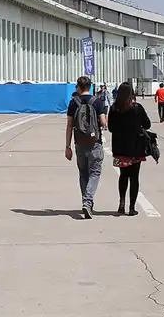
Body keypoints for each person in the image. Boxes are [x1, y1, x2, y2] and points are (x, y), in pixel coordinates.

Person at [65, 76, 108, 219]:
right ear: (90, 87)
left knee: (83, 173)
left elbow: (70, 126)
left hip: (79, 143)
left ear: (78, 87)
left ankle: (86, 200)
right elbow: (103, 122)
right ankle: (88, 201)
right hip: (95, 142)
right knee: (95, 172)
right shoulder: (97, 101)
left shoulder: (73, 103)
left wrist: (67, 146)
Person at [107, 82, 151, 216]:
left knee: (123, 176)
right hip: (135, 148)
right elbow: (147, 124)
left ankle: (121, 204)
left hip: (120, 148)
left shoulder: (114, 108)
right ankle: (132, 207)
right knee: (134, 177)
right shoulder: (137, 107)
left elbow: (110, 128)